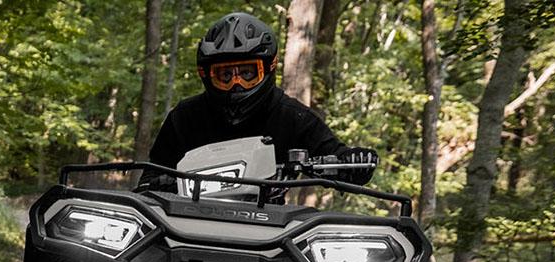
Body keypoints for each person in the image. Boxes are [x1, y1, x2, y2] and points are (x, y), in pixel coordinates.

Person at [139, 12, 377, 192]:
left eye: (247, 73)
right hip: (183, 222)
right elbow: (149, 181)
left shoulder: (294, 117)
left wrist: (354, 162)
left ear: (268, 69)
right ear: (207, 75)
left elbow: (338, 159)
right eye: (225, 76)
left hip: (271, 228)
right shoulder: (185, 116)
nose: (237, 84)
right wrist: (162, 184)